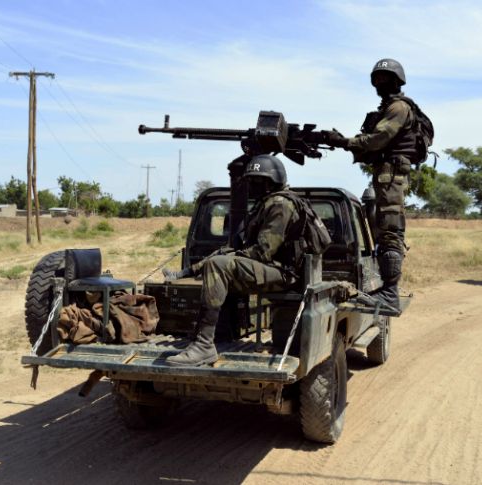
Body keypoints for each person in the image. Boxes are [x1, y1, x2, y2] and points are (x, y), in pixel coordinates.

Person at [161, 154, 305, 367]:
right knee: (220, 258)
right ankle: (186, 280)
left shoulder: (280, 204)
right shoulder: (266, 203)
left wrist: (229, 257)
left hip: (283, 272)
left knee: (219, 264)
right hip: (268, 267)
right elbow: (245, 248)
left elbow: (262, 252)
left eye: (255, 181)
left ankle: (204, 345)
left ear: (269, 182)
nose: (250, 186)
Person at [325, 58, 420, 312]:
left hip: (391, 175)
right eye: (377, 80)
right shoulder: (390, 106)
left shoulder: (398, 107)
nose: (380, 84)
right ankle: (386, 290)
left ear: (397, 81)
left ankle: (390, 294)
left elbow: (380, 138)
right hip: (385, 174)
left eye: (385, 79)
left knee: (390, 233)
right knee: (382, 231)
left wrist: (345, 142)